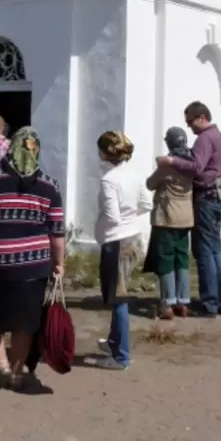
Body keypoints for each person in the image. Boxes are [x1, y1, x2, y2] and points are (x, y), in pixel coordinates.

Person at [0, 126, 65, 389]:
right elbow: (57, 233)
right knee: (25, 320)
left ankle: (1, 364)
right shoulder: (50, 186)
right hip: (33, 266)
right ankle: (18, 374)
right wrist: (59, 263)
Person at [157, 101, 221, 318]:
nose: (189, 127)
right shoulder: (219, 136)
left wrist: (171, 161)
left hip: (207, 197)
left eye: (190, 121)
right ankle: (220, 302)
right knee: (216, 250)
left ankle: (209, 303)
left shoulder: (205, 139)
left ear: (201, 117)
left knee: (205, 251)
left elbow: (196, 167)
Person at [93, 130, 152, 370]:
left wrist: (107, 226)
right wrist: (131, 217)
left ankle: (121, 356)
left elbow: (112, 216)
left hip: (116, 242)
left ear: (106, 152)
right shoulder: (134, 174)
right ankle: (115, 342)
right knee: (119, 295)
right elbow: (146, 204)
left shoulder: (109, 180)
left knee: (118, 299)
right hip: (134, 238)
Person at [144, 127, 194, 319]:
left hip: (167, 218)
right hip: (186, 217)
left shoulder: (167, 166)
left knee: (165, 260)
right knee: (182, 259)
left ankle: (167, 303)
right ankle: (183, 301)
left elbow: (150, 184)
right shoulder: (192, 163)